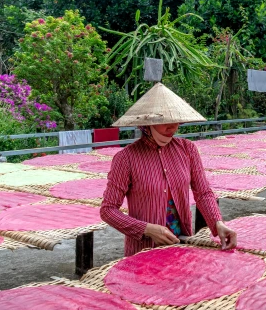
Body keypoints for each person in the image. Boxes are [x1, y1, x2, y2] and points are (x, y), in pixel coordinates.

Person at [101, 82, 237, 257]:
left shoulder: (188, 150)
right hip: (143, 251)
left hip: (182, 244)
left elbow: (203, 192)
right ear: (147, 123)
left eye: (176, 120)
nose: (172, 127)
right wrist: (147, 229)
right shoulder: (126, 158)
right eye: (164, 121)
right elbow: (108, 210)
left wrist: (218, 224)